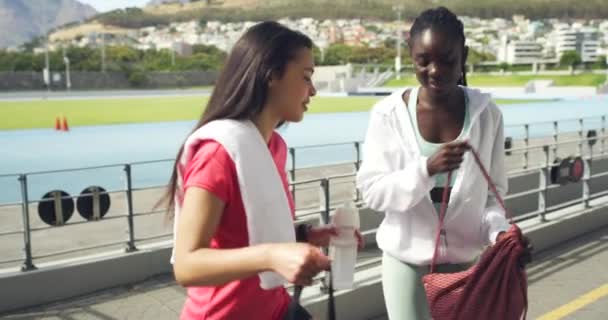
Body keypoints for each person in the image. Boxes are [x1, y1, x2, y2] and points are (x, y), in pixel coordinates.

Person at [356, 7, 531, 320]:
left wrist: (501, 235)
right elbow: (372, 192)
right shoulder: (387, 115)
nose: (435, 70)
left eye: (447, 60)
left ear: (463, 55)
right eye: (423, 60)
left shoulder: (488, 116)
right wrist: (426, 170)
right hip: (405, 263)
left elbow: (493, 199)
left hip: (465, 264)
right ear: (411, 55)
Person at [161, 21, 339, 320]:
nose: (314, 90)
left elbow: (248, 233)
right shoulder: (218, 154)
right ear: (271, 74)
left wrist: (307, 235)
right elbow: (186, 265)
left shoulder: (273, 147)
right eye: (306, 77)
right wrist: (270, 256)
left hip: (275, 309)